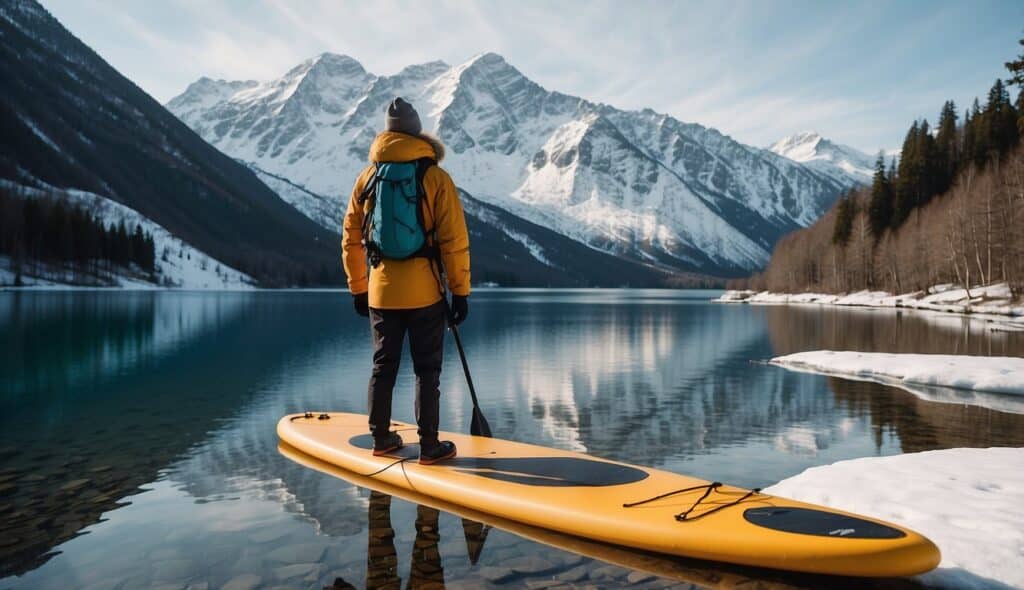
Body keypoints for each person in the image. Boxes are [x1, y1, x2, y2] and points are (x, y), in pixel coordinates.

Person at [342, 97, 470, 465]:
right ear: (417, 132)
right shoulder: (435, 178)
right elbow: (454, 241)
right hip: (426, 291)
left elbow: (350, 237)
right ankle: (430, 446)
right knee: (426, 369)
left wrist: (358, 287)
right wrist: (460, 291)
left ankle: (381, 438)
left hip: (381, 291)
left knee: (384, 366)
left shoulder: (367, 177)